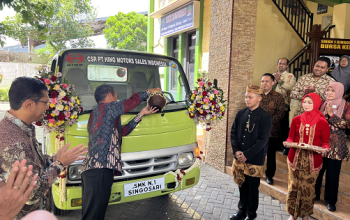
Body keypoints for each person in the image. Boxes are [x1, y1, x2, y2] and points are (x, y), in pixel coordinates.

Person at [0, 77, 88, 219]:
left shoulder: (18, 128)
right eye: (45, 103)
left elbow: (33, 162)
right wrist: (60, 164)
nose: (47, 107)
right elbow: (31, 193)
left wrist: (54, 158)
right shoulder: (15, 142)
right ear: (28, 104)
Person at [81, 85, 161, 220]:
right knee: (93, 216)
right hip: (100, 169)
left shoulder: (97, 113)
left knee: (94, 214)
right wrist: (149, 92)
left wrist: (140, 114)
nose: (117, 98)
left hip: (93, 170)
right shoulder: (109, 108)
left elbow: (121, 132)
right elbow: (131, 101)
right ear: (109, 96)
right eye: (116, 95)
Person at [284, 93, 330, 220]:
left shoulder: (322, 122)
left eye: (310, 102)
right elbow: (290, 137)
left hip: (313, 161)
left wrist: (324, 149)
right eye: (305, 102)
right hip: (295, 158)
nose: (306, 105)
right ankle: (292, 214)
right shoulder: (296, 119)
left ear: (316, 104)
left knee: (308, 188)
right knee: (293, 186)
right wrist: (288, 142)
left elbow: (325, 143)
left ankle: (305, 214)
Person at [230, 85, 272, 220]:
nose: (247, 99)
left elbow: (263, 140)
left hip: (255, 159)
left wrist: (246, 154)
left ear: (259, 99)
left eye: (250, 97)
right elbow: (233, 133)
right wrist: (236, 151)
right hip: (239, 157)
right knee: (241, 185)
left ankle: (251, 214)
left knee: (253, 188)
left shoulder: (265, 117)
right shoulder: (241, 113)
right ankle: (241, 211)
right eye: (246, 97)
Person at [316, 82, 350, 212]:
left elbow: (347, 125)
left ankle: (330, 201)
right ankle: (315, 196)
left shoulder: (346, 106)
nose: (329, 93)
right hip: (320, 144)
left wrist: (331, 115)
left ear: (339, 91)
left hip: (336, 147)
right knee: (317, 171)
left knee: (332, 175)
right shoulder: (322, 104)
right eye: (327, 90)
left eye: (332, 90)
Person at [260, 73, 285, 185]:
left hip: (271, 130)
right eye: (262, 81)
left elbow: (280, 113)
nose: (264, 83)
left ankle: (269, 175)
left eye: (267, 81)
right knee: (257, 152)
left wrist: (267, 123)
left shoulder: (278, 97)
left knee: (270, 154)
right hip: (256, 130)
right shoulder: (257, 94)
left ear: (273, 82)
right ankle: (257, 172)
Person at [273, 58, 296, 155]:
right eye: (280, 63)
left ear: (287, 66)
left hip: (284, 103)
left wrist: (279, 81)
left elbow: (291, 87)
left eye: (284, 64)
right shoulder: (273, 75)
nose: (281, 65)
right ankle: (275, 145)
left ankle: (284, 146)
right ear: (277, 64)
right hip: (272, 103)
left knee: (282, 125)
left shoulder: (290, 76)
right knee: (273, 124)